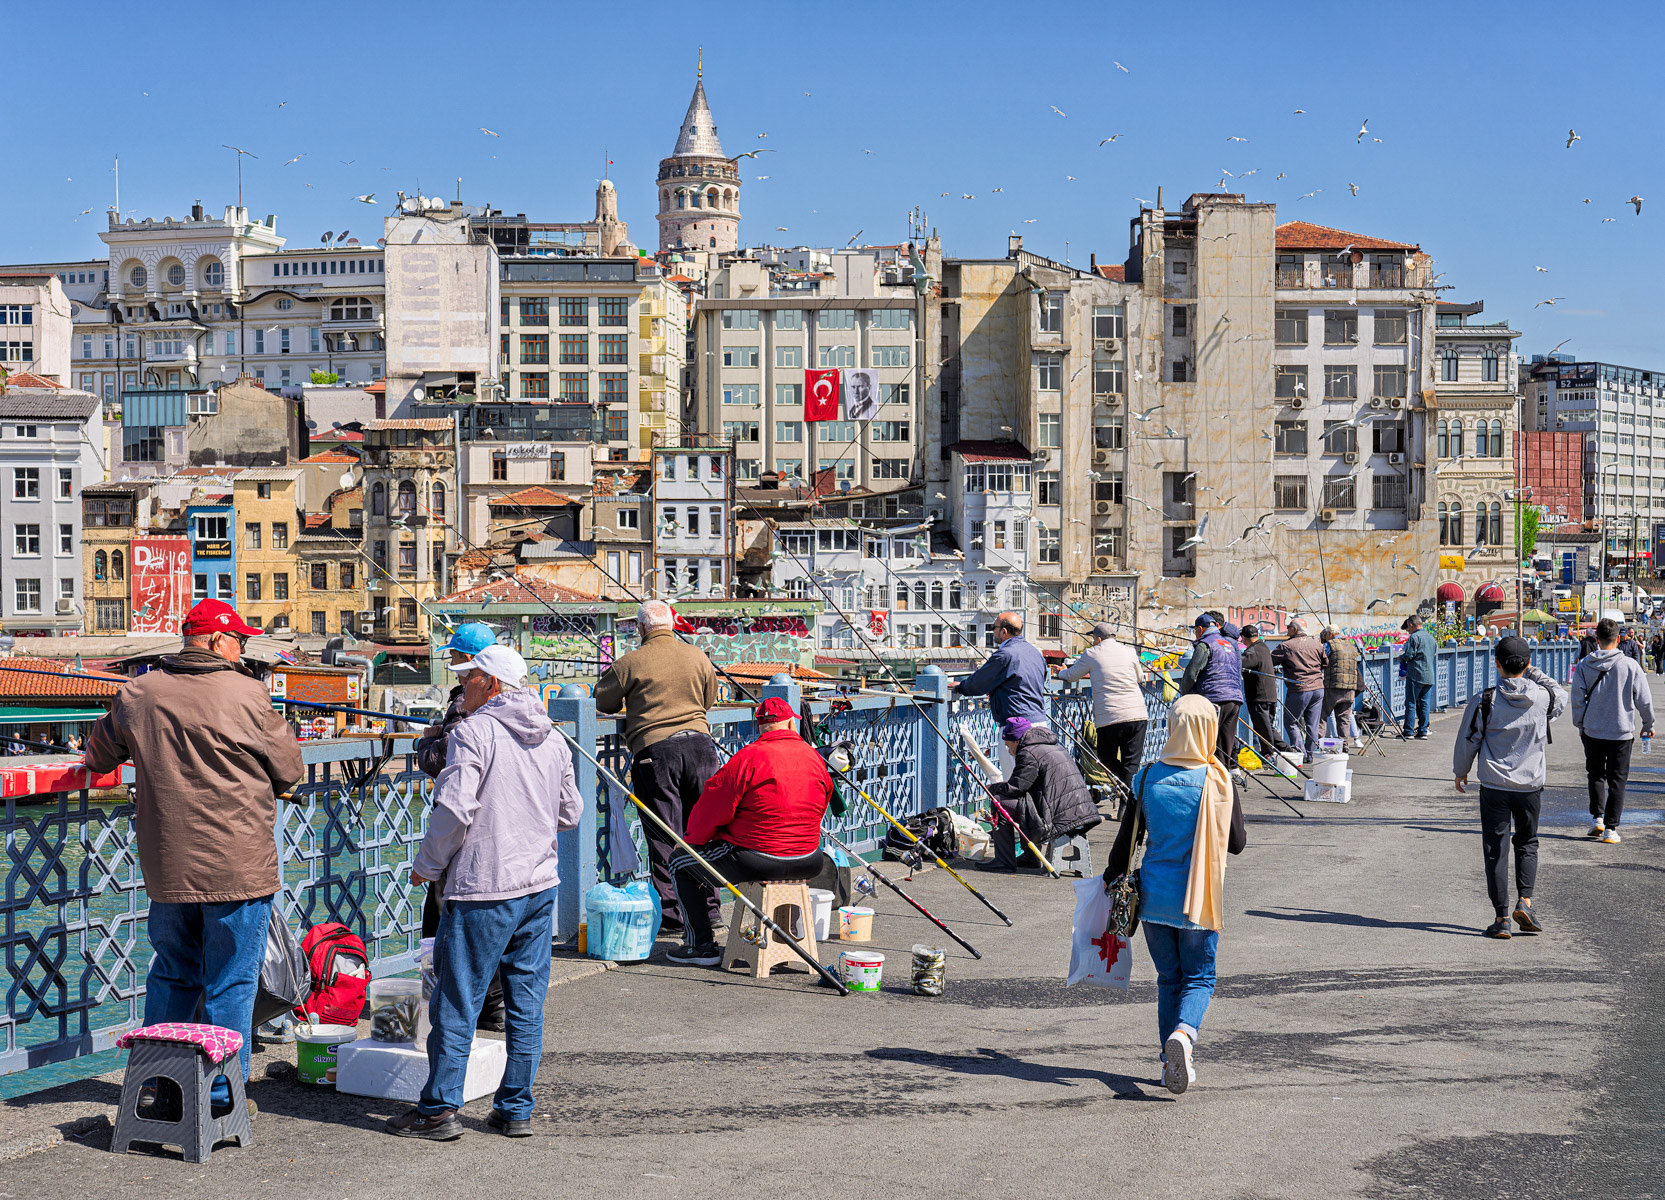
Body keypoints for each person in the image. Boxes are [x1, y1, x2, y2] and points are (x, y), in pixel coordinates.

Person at [83, 599, 303, 1115]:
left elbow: (98, 756)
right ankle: (222, 1098)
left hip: (168, 867)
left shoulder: (138, 692)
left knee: (172, 975)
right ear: (215, 641)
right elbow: (290, 768)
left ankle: (162, 1089)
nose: (243, 649)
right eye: (239, 641)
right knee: (231, 980)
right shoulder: (248, 692)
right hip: (239, 866)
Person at [389, 645, 583, 1140]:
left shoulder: (474, 733)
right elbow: (570, 813)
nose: (462, 687)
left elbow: (454, 810)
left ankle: (438, 1111)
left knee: (457, 1001)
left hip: (484, 886)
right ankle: (515, 1108)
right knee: (525, 1003)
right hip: (540, 885)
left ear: (491, 684)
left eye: (468, 678)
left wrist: (427, 865)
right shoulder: (554, 738)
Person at [1103, 695, 1246, 1095]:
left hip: (1153, 898)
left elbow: (1126, 841)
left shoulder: (1148, 776)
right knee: (1200, 976)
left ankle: (1169, 1065)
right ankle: (1184, 1036)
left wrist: (1110, 877)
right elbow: (1237, 843)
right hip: (1200, 899)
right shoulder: (1218, 780)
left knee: (1169, 979)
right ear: (1209, 729)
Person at [665, 696, 833, 966]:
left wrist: (691, 842)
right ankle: (784, 939)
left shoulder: (747, 757)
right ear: (791, 723)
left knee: (680, 863)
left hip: (757, 857)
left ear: (760, 727)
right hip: (810, 859)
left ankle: (701, 947)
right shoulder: (814, 758)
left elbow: (711, 808)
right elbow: (823, 802)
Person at [595, 600, 721, 939]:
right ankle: (711, 910)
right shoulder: (697, 656)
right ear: (672, 624)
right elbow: (708, 699)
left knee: (666, 836)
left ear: (640, 629)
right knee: (703, 830)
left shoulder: (631, 662)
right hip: (701, 748)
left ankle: (675, 916)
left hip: (656, 752)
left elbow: (603, 701)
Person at [415, 621, 506, 1032]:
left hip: (466, 837)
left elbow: (443, 767)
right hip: (509, 839)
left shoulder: (465, 705)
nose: (451, 664)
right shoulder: (523, 708)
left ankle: (452, 1005)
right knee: (496, 920)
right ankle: (495, 1007)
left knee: (443, 917)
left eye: (454, 658)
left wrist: (426, 743)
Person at [1452, 635, 1569, 939]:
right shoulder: (1543, 698)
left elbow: (1469, 738)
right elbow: (1560, 692)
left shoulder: (1486, 699)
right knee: (1527, 842)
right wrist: (1532, 673)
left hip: (1494, 784)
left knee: (1496, 850)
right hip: (1530, 784)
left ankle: (1501, 917)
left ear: (1497, 663)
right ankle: (1525, 902)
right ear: (1528, 664)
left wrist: (1460, 771)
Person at [1570, 616, 1656, 845]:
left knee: (1595, 775)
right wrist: (1648, 725)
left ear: (1596, 639)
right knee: (1618, 780)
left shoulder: (1584, 665)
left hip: (1593, 730)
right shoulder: (1630, 665)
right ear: (1618, 639)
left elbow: (1577, 699)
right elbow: (1644, 700)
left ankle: (1597, 819)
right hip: (1621, 730)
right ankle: (1611, 828)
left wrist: (1580, 724)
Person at [980, 716, 1102, 872]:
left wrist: (993, 788)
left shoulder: (1028, 752)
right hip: (1080, 812)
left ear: (1016, 741)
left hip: (1059, 817)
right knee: (1026, 805)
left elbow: (1017, 787)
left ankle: (1004, 861)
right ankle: (1030, 856)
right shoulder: (1051, 745)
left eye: (1008, 746)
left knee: (999, 802)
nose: (1009, 752)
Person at [952, 611, 1049, 775]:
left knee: (1015, 780)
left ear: (1004, 631)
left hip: (1016, 726)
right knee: (1036, 780)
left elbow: (980, 683)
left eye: (993, 627)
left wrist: (961, 686)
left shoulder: (1005, 654)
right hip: (1040, 722)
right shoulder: (1035, 653)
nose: (992, 631)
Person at [1057, 621, 1148, 794]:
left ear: (1098, 638)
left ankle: (1127, 798)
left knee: (1106, 759)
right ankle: (1128, 801)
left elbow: (1071, 675)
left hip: (1109, 717)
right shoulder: (1129, 652)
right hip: (1137, 714)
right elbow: (1140, 678)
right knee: (1132, 763)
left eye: (1093, 638)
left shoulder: (1091, 653)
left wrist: (1059, 672)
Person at [1179, 613, 1245, 769]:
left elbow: (1192, 672)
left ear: (1200, 629)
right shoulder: (1228, 643)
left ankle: (1213, 783)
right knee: (1225, 746)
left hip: (1214, 699)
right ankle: (1225, 782)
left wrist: (1184, 694)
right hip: (1235, 699)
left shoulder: (1205, 644)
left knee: (1210, 743)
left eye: (1195, 630)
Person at [1272, 618, 1326, 760]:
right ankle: (1311, 754)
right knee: (1312, 724)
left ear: (1295, 629)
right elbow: (1325, 662)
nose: (1287, 629)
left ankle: (1299, 753)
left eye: (1289, 627)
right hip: (1318, 688)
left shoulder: (1286, 646)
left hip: (1300, 689)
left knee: (1291, 722)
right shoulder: (1317, 643)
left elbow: (1269, 660)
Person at [1237, 624, 1287, 758]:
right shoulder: (1263, 647)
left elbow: (1240, 662)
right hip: (1270, 695)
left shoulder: (1253, 651)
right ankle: (1284, 748)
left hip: (1259, 696)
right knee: (1267, 726)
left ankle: (1267, 754)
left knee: (1262, 727)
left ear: (1243, 638)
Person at [1320, 626, 1365, 751]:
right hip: (1349, 687)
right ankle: (1344, 746)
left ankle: (1316, 743)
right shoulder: (1351, 645)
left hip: (1333, 686)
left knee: (1322, 716)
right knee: (1344, 718)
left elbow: (1321, 660)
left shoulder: (1330, 645)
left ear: (1330, 634)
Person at [1398, 615, 1439, 739]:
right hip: (1429, 675)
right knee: (1424, 703)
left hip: (1416, 675)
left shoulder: (1414, 638)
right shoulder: (1431, 638)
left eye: (1408, 628)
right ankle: (1423, 731)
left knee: (1411, 702)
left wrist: (1401, 658)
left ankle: (1408, 731)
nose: (1408, 631)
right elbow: (1435, 653)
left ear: (1411, 624)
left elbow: (1409, 655)